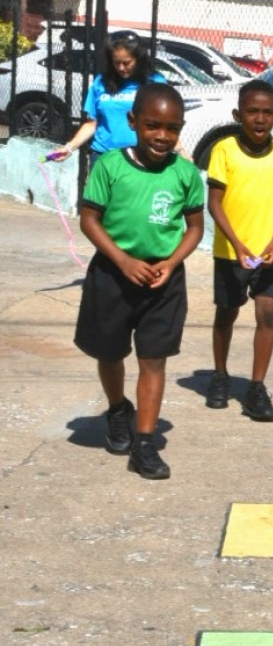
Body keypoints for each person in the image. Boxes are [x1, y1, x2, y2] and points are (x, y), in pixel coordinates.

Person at [74, 82, 204, 480]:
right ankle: (118, 409)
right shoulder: (110, 166)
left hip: (162, 282)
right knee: (110, 352)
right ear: (133, 121)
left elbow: (195, 228)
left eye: (173, 128)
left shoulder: (185, 173)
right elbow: (89, 219)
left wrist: (172, 261)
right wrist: (123, 260)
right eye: (152, 125)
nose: (163, 136)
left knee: (153, 360)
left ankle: (144, 444)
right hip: (113, 275)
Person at [203, 79, 273, 422]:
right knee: (226, 313)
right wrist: (237, 243)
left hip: (268, 252)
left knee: (267, 315)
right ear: (238, 114)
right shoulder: (224, 150)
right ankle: (219, 375)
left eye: (267, 112)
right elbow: (214, 203)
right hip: (231, 252)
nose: (260, 118)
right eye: (252, 111)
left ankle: (256, 387)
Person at [56, 31, 168, 166]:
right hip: (103, 157)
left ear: (139, 59)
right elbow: (92, 123)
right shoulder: (101, 82)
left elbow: (166, 124)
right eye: (116, 63)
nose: (121, 68)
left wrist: (180, 150)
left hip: (139, 159)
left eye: (127, 63)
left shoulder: (155, 83)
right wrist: (69, 148)